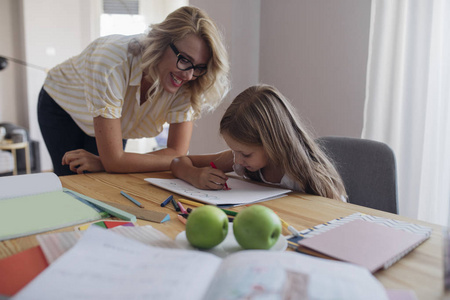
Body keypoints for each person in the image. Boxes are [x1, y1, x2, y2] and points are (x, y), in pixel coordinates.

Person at [38, 6, 230, 176]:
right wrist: (112, 162)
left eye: (199, 67)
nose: (189, 75)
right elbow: (116, 161)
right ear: (161, 43)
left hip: (114, 120)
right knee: (75, 181)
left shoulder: (189, 81)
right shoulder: (112, 62)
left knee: (110, 178)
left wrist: (105, 162)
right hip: (63, 106)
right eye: (185, 59)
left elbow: (177, 152)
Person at [171, 84, 347, 201]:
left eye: (246, 154)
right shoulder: (240, 160)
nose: (237, 161)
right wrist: (195, 176)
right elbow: (178, 161)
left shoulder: (312, 176)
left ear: (272, 144)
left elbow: (339, 218)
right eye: (234, 151)